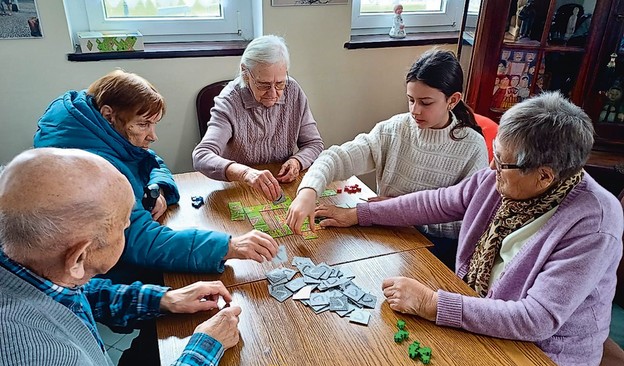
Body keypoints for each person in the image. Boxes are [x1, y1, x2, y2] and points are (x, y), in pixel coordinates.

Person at [312, 92, 624, 366]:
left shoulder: (594, 222)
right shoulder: (502, 181)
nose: (492, 167)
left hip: (545, 358)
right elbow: (434, 203)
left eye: (502, 162)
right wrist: (358, 215)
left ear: (545, 176)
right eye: (495, 154)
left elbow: (536, 319)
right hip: (479, 309)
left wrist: (431, 304)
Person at [0, 148, 242, 366]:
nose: (129, 229)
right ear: (79, 257)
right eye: (124, 226)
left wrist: (162, 299)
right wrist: (204, 350)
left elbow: (72, 293)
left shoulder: (23, 256)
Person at [34, 70, 279, 284]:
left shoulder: (96, 128)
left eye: (154, 125)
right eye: (144, 125)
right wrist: (230, 246)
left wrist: (158, 187)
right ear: (109, 115)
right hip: (105, 275)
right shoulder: (93, 171)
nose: (153, 136)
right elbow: (143, 242)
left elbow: (150, 159)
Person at [286, 49, 488, 268]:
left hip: (435, 250)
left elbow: (471, 222)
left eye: (426, 102)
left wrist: (398, 211)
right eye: (411, 100)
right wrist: (308, 191)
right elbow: (337, 157)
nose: (415, 110)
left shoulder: (472, 147)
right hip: (386, 236)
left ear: (453, 100)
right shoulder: (393, 130)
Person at [192, 35, 324, 202]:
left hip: (282, 186)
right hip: (239, 190)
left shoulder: (293, 91)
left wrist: (297, 161)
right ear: (246, 74)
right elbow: (201, 156)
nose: (273, 94)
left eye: (280, 84)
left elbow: (314, 144)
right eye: (263, 84)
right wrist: (245, 173)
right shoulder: (229, 101)